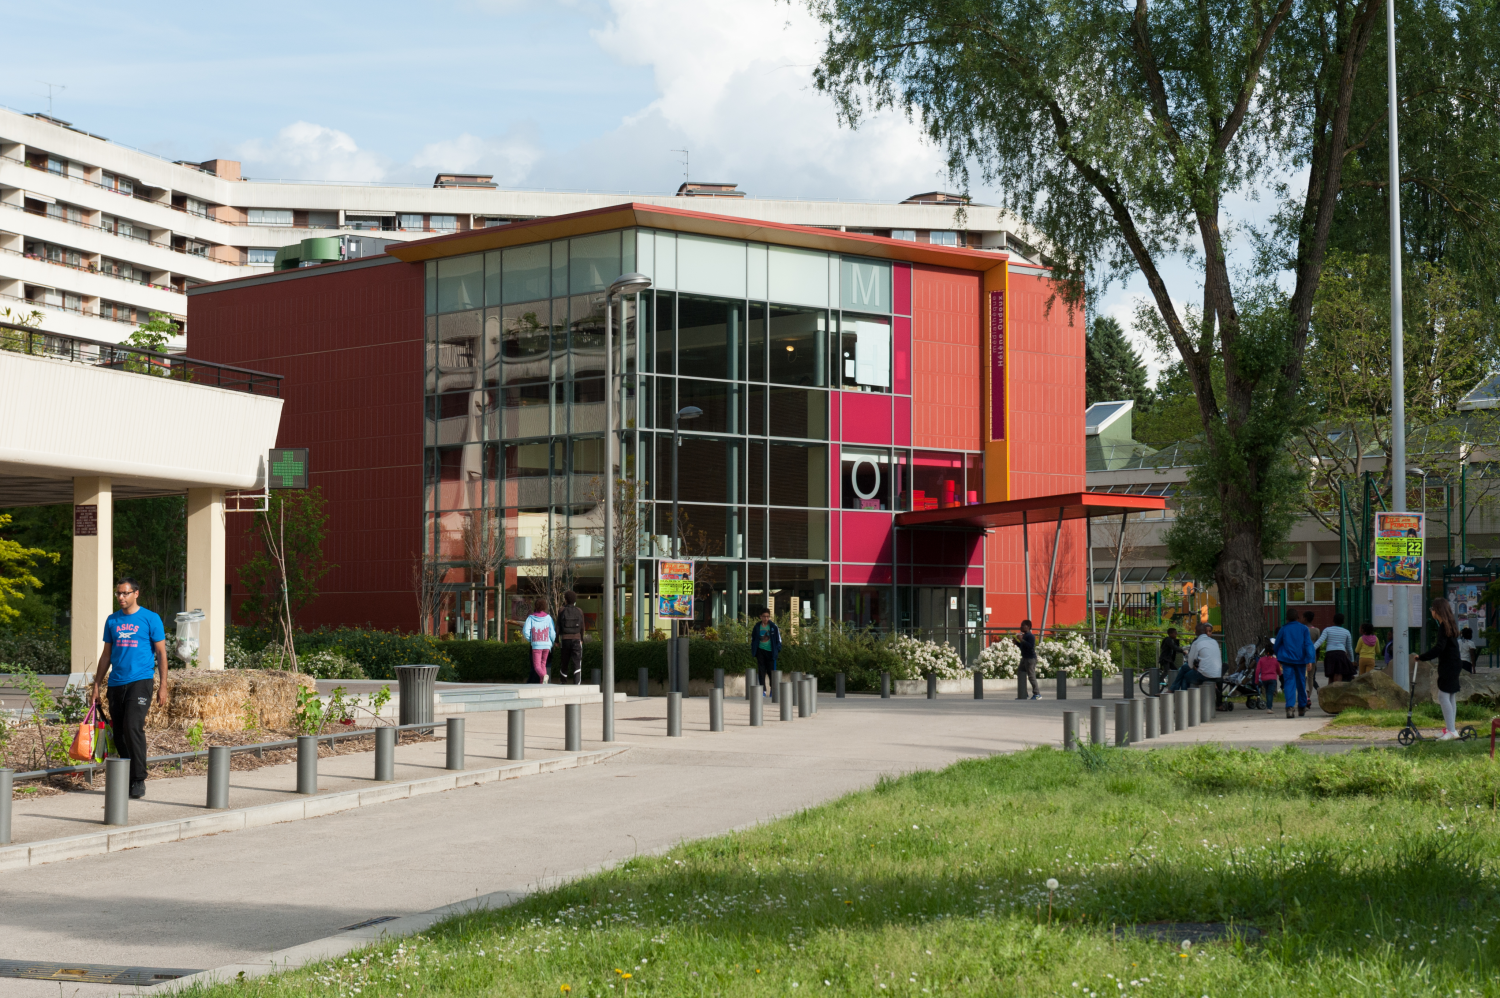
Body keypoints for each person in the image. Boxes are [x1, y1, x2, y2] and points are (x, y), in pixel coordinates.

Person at [90, 577, 169, 800]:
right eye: (118, 594)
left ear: (136, 593)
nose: (121, 597)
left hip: (141, 681)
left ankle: (138, 779)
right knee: (120, 733)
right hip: (116, 682)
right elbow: (106, 655)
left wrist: (162, 685)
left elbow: (162, 653)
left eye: (125, 593)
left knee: (133, 727)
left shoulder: (150, 618)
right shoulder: (112, 620)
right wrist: (97, 685)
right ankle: (126, 775)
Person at [1417, 597, 1465, 740]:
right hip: (1454, 663)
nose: (1431, 611)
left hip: (1449, 665)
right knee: (1450, 696)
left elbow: (1439, 647)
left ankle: (1451, 731)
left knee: (1443, 696)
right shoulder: (1449, 624)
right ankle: (1451, 729)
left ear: (1437, 611)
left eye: (1432, 609)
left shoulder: (1443, 626)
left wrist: (1422, 657)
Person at [1274, 608, 1314, 718]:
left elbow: (1277, 644)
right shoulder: (1304, 629)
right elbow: (1308, 644)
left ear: (1287, 619)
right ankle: (1302, 707)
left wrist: (1279, 657)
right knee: (1301, 682)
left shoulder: (1284, 629)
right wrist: (1309, 659)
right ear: (1298, 617)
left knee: (1289, 683)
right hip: (1301, 660)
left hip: (1287, 660)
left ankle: (1290, 708)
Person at [1171, 622, 1222, 692]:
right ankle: (1176, 693)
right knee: (1184, 669)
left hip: (1204, 675)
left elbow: (1190, 664)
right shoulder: (1214, 642)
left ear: (1196, 632)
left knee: (1185, 676)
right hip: (1217, 673)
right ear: (1205, 632)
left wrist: (1194, 667)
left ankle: (1183, 698)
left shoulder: (1196, 642)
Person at [1314, 612, 1355, 684]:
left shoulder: (1327, 630)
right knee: (1339, 673)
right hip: (1341, 654)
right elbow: (1349, 648)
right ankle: (1336, 691)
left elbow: (1320, 641)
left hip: (1330, 654)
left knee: (1331, 675)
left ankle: (1329, 692)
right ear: (1343, 622)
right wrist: (1351, 659)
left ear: (1333, 620)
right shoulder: (1346, 632)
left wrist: (1311, 649)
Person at [521, 598, 555, 684]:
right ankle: (542, 683)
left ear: (535, 606)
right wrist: (551, 642)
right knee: (543, 664)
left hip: (536, 645)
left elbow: (525, 631)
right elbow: (552, 633)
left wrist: (531, 639)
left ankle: (543, 676)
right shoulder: (548, 618)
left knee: (536, 666)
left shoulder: (531, 617)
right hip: (547, 645)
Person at [554, 591, 586, 685]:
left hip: (565, 640)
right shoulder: (579, 611)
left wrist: (556, 640)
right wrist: (581, 639)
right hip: (576, 639)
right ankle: (577, 683)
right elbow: (582, 626)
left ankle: (563, 682)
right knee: (577, 661)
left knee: (564, 661)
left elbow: (558, 627)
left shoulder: (561, 610)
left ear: (566, 599)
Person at [749, 607, 781, 696]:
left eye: (767, 616)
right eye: (764, 616)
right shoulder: (757, 627)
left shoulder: (773, 627)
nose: (766, 618)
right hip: (760, 651)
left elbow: (779, 640)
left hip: (771, 652)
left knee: (771, 672)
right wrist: (754, 649)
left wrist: (777, 650)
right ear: (760, 617)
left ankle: (772, 689)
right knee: (761, 671)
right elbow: (753, 639)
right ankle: (762, 690)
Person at [1014, 619, 1039, 700]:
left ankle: (1037, 694)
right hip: (1024, 658)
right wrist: (1017, 642)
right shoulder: (1024, 636)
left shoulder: (1030, 636)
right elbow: (1023, 647)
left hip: (1030, 658)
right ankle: (1024, 693)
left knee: (1031, 676)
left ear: (1028, 627)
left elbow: (1030, 646)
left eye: (1023, 625)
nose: (1021, 627)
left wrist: (1021, 640)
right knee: (1021, 673)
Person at [1254, 642, 1281, 714]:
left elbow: (1257, 670)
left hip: (1264, 679)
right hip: (1272, 679)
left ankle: (1269, 706)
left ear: (1265, 651)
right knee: (1270, 693)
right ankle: (1269, 707)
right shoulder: (1275, 660)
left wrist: (1256, 680)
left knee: (1267, 692)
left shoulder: (1261, 660)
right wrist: (1281, 675)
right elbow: (1278, 670)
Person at [1303, 611, 1322, 691]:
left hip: (1302, 654)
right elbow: (1318, 645)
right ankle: (1308, 695)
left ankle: (1302, 692)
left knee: (1303, 675)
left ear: (1305, 618)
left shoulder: (1302, 628)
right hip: (1312, 655)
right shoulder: (1317, 630)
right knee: (1311, 676)